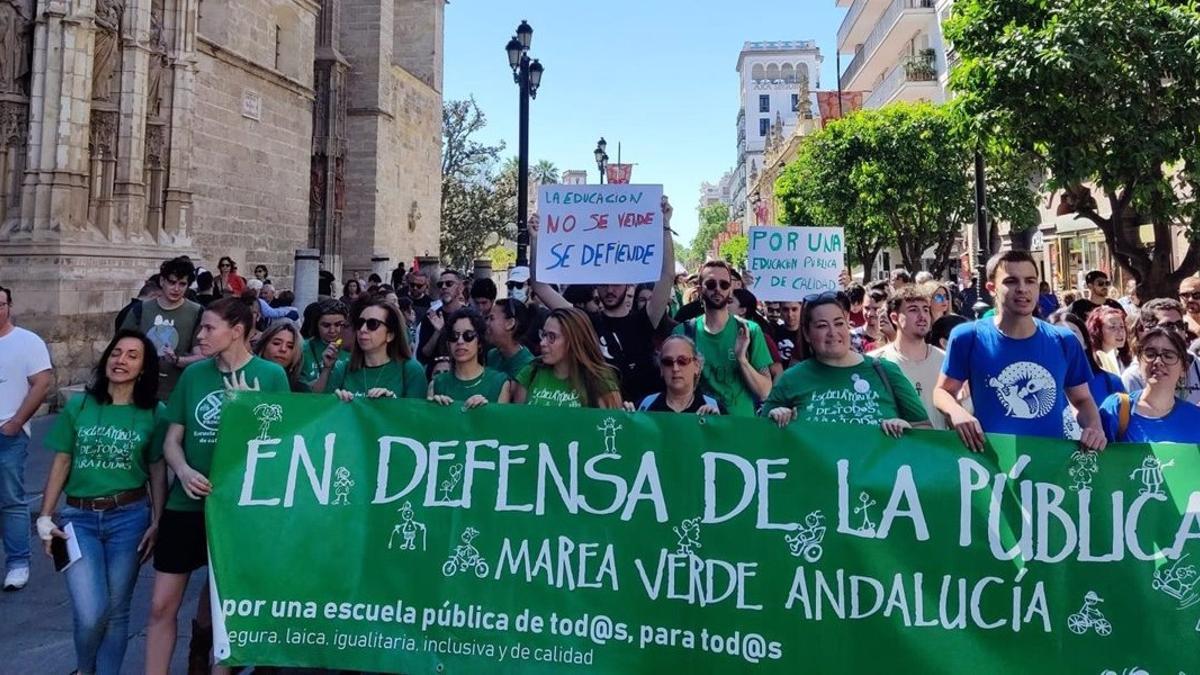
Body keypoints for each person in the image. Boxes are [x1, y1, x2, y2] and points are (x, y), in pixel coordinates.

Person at [146, 297, 289, 674]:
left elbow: (282, 446)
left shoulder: (271, 377)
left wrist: (251, 411)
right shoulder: (194, 375)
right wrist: (184, 470)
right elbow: (172, 440)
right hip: (187, 503)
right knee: (161, 604)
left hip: (237, 509)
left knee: (226, 605)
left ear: (237, 331)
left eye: (209, 328)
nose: (200, 336)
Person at [38, 330, 167, 675]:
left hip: (130, 518)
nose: (121, 360)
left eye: (131, 355)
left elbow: (157, 469)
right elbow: (62, 461)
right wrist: (45, 517)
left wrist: (157, 520)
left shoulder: (155, 412)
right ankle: (85, 670)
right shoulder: (80, 404)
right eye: (116, 352)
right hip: (77, 519)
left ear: (143, 368)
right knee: (92, 611)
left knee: (118, 610)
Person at [934, 250, 1106, 451]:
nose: (1023, 289)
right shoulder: (968, 337)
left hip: (1050, 467)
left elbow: (1082, 399)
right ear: (992, 288)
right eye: (1011, 281)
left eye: (1030, 281)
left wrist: (1094, 427)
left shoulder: (1064, 340)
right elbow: (942, 392)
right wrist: (957, 412)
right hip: (992, 465)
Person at [531, 198, 677, 404]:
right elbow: (540, 287)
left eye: (616, 284)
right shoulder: (585, 321)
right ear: (595, 286)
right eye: (603, 284)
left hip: (642, 417)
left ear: (628, 285)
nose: (610, 290)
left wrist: (665, 225)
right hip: (598, 417)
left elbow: (667, 275)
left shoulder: (645, 319)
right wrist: (536, 240)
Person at [763, 291, 930, 437]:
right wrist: (775, 419)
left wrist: (907, 429)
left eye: (839, 323)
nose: (832, 332)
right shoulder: (792, 379)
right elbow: (760, 438)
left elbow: (926, 430)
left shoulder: (885, 371)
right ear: (807, 333)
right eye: (822, 326)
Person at [0, 285, 53, 591]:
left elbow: (41, 383)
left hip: (8, 432)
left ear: (10, 306)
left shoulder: (27, 342)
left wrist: (16, 422)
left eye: (1, 304)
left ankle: (18, 563)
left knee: (11, 500)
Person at [673, 260, 773, 417]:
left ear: (731, 290)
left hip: (740, 429)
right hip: (699, 427)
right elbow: (673, 388)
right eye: (711, 284)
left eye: (724, 285)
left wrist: (742, 359)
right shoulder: (683, 332)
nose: (718, 289)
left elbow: (765, 392)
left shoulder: (749, 331)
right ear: (699, 290)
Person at [120, 257, 205, 401]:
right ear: (162, 281)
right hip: (140, 390)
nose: (176, 288)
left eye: (182, 284)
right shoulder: (140, 310)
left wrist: (178, 360)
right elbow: (120, 348)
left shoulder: (197, 312)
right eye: (172, 282)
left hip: (178, 392)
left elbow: (203, 356)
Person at [1100, 327, 1200, 443]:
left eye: (1168, 356)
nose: (1158, 362)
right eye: (1150, 354)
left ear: (1184, 368)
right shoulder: (1117, 408)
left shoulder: (1196, 418)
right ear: (1139, 361)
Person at [315, 297, 427, 400]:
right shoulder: (343, 368)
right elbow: (322, 411)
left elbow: (416, 417)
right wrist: (336, 401)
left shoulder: (411, 370)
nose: (363, 329)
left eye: (372, 324)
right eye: (360, 323)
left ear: (390, 335)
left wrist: (393, 403)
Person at [513, 307, 622, 409]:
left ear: (574, 340)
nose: (542, 343)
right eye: (544, 334)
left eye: (552, 337)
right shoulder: (532, 371)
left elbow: (612, 424)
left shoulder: (600, 380)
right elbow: (518, 420)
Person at [870, 287, 947, 429]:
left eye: (925, 309)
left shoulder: (946, 361)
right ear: (894, 318)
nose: (922, 316)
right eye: (913, 310)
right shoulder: (876, 362)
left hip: (939, 448)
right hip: (896, 447)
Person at [1048, 309, 1125, 437]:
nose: (1065, 341)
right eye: (1057, 336)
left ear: (1085, 343)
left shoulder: (1111, 381)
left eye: (1072, 334)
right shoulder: (1040, 382)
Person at [1120, 298, 1200, 403]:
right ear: (1147, 330)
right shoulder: (1134, 376)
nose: (1177, 331)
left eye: (1180, 325)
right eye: (1169, 326)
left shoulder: (1196, 364)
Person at [428, 310, 511, 407]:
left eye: (468, 335)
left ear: (479, 342)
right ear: (448, 344)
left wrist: (486, 411)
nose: (460, 341)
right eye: (454, 336)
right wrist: (434, 411)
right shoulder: (437, 384)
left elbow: (500, 421)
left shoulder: (499, 383)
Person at [638, 335, 722, 415]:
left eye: (682, 361)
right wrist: (626, 417)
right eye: (668, 362)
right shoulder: (644, 407)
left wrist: (718, 424)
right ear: (661, 369)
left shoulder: (715, 409)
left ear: (696, 366)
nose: (675, 368)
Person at [730, 288, 784, 380]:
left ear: (742, 310)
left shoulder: (760, 337)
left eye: (730, 301)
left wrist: (770, 393)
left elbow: (777, 371)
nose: (724, 304)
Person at [418, 269, 468, 362]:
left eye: (449, 283)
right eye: (440, 285)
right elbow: (423, 354)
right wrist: (437, 332)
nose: (444, 287)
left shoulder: (470, 316)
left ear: (460, 288)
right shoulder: (431, 317)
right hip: (436, 372)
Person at [300, 300, 350, 384]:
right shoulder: (303, 348)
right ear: (316, 325)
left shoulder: (353, 348)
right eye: (326, 325)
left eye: (338, 325)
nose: (332, 330)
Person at [486, 298, 534, 380]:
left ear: (510, 323)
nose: (487, 323)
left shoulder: (528, 365)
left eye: (491, 318)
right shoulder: (492, 355)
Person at [254, 322, 309, 392]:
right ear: (263, 345)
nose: (283, 349)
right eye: (276, 343)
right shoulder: (247, 374)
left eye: (290, 346)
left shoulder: (300, 387)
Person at [1088, 306, 1131, 375]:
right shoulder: (1092, 363)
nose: (1120, 332)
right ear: (1098, 331)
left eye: (1122, 326)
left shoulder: (1127, 359)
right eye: (1112, 327)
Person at [850, 288, 887, 354]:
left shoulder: (891, 337)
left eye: (876, 309)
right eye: (866, 308)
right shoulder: (852, 337)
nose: (870, 313)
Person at [771, 301, 804, 366]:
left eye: (794, 309)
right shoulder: (773, 332)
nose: (790, 314)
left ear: (801, 309)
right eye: (785, 309)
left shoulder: (808, 334)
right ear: (780, 310)